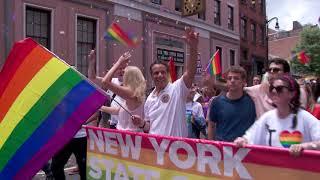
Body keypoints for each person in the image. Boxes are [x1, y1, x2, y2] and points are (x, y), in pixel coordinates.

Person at [132, 28, 199, 137]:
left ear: (167, 74)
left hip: (176, 149)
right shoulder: (149, 99)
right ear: (152, 76)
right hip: (156, 148)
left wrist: (193, 48)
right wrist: (141, 123)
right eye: (156, 73)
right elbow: (149, 126)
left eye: (163, 72)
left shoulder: (177, 89)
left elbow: (190, 73)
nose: (160, 75)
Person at [234, 75, 320, 148]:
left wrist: (305, 146)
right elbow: (249, 138)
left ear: (292, 93)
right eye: (272, 88)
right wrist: (242, 140)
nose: (274, 91)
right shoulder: (267, 117)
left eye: (279, 88)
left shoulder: (304, 117)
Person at [99, 52, 146, 132]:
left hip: (129, 138)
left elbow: (105, 82)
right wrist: (99, 107)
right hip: (125, 137)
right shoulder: (134, 93)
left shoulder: (131, 93)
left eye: (124, 73)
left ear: (129, 77)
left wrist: (119, 62)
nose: (122, 74)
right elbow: (118, 111)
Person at [208, 66, 256, 142]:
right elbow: (211, 125)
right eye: (229, 78)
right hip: (223, 149)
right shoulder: (217, 102)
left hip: (245, 148)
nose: (232, 81)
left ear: (243, 81)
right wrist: (211, 146)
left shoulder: (252, 101)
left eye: (236, 78)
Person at [51, 113, 98, 180]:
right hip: (63, 138)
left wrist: (82, 122)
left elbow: (96, 113)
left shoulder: (83, 102)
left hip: (81, 138)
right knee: (56, 167)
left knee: (83, 168)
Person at [88, 50, 125, 128]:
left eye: (123, 68)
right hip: (112, 124)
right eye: (119, 68)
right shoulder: (111, 80)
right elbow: (92, 78)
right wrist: (91, 63)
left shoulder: (131, 84)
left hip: (124, 125)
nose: (121, 71)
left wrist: (100, 107)